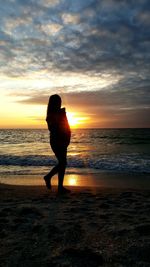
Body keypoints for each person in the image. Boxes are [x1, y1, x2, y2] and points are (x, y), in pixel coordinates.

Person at [44, 94, 71, 193]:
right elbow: (53, 128)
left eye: (60, 102)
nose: (60, 104)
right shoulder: (51, 115)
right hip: (56, 141)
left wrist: (67, 138)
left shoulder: (61, 113)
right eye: (58, 102)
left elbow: (66, 125)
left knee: (62, 164)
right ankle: (48, 177)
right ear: (54, 103)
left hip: (63, 140)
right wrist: (60, 116)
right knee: (63, 163)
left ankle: (60, 187)